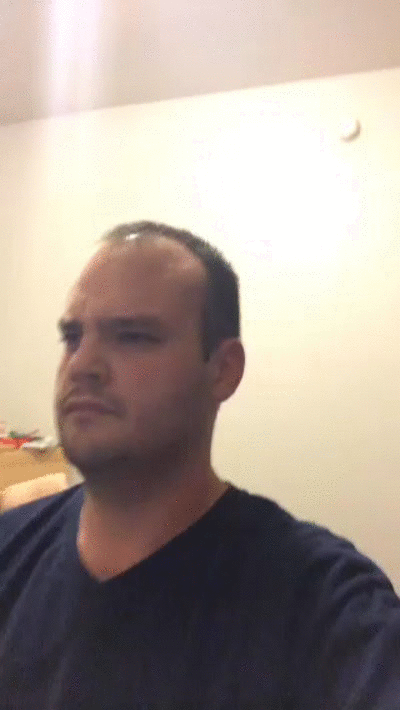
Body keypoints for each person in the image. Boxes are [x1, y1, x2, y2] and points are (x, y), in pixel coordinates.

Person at [0, 221, 399, 710]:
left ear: (223, 370)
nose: (82, 365)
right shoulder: (10, 552)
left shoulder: (323, 609)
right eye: (72, 336)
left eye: (132, 337)